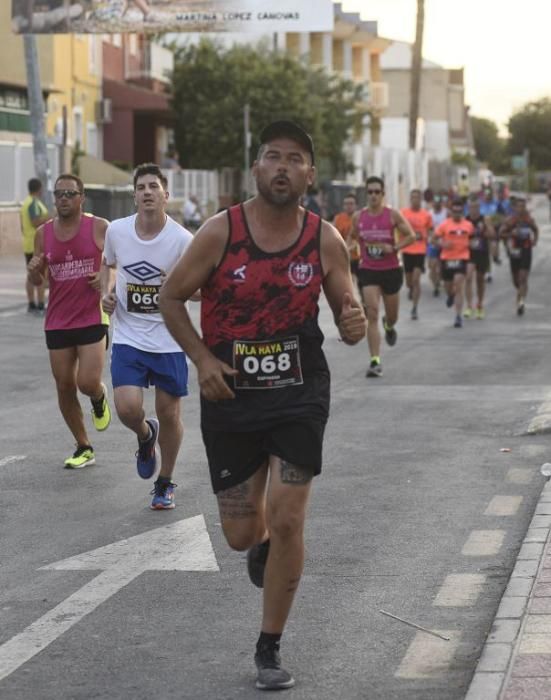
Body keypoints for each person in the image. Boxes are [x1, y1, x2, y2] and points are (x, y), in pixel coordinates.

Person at [159, 120, 366, 690]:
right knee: (242, 534)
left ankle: (269, 647)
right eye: (272, 156)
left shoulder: (325, 238)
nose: (282, 166)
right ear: (256, 168)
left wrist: (355, 323)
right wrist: (202, 360)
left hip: (299, 397)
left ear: (310, 173)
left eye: (294, 158)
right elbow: (172, 298)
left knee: (291, 516)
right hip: (230, 395)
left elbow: (348, 320)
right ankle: (265, 544)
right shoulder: (220, 232)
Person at [100, 163, 194, 509]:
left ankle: (165, 482)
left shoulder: (184, 240)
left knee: (169, 413)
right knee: (127, 408)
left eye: (154, 186)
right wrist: (107, 295)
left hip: (169, 337)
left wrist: (178, 285)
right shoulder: (117, 231)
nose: (148, 192)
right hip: (129, 335)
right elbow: (108, 264)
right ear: (135, 195)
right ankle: (144, 434)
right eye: (141, 187)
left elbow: (202, 290)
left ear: (166, 195)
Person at [27, 174, 111, 468]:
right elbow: (40, 278)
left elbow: (114, 262)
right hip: (58, 319)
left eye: (69, 193)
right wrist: (34, 270)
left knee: (86, 382)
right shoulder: (43, 233)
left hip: (90, 315)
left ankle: (98, 396)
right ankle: (83, 445)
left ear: (81, 197)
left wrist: (103, 278)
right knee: (64, 385)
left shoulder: (99, 227)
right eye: (59, 193)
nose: (63, 198)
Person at [350, 176, 415, 377]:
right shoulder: (358, 217)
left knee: (391, 315)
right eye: (370, 192)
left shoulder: (392, 215)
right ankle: (375, 361)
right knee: (372, 314)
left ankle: (389, 325)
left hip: (391, 271)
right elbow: (352, 237)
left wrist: (394, 247)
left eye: (377, 192)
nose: (373, 196)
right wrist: (346, 249)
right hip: (368, 270)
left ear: (383, 194)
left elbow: (412, 236)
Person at [432, 198, 474, 328]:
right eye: (454, 211)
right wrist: (442, 243)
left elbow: (473, 240)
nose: (457, 214)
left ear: (462, 212)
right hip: (447, 259)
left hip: (462, 258)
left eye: (459, 211)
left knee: (459, 284)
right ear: (451, 212)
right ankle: (450, 295)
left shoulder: (468, 225)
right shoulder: (444, 225)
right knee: (448, 286)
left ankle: (458, 316)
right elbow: (433, 239)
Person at [500, 196, 538, 316]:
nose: (521, 209)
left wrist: (535, 241)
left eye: (523, 206)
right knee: (516, 280)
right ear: (515, 208)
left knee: (523, 277)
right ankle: (521, 291)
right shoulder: (511, 220)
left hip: (526, 249)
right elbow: (501, 233)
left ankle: (521, 302)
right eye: (519, 206)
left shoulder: (528, 220)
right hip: (515, 250)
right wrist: (511, 233)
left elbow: (535, 230)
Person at [400, 189, 433, 320]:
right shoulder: (403, 213)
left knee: (416, 279)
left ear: (420, 199)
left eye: (417, 198)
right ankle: (411, 289)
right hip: (407, 250)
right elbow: (397, 227)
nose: (415, 200)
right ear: (410, 199)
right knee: (409, 282)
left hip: (420, 250)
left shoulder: (426, 215)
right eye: (413, 197)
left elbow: (430, 230)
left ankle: (414, 308)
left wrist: (429, 238)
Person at [20, 177, 50, 314]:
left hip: (27, 242)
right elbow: (35, 221)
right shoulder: (33, 203)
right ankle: (40, 304)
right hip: (36, 244)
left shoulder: (25, 203)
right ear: (39, 189)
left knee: (30, 274)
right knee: (40, 274)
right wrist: (50, 218)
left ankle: (32, 303)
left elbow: (23, 225)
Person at [464, 196, 495, 319]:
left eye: (476, 207)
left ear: (479, 207)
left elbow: (492, 235)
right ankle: (468, 306)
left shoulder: (485, 219)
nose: (474, 210)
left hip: (482, 253)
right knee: (468, 276)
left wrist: (486, 230)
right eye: (471, 207)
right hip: (469, 253)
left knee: (480, 279)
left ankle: (480, 305)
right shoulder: (465, 220)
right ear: (468, 208)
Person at [333, 192, 360, 287]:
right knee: (348, 284)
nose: (348, 206)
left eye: (351, 204)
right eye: (346, 204)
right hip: (343, 256)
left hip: (359, 257)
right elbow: (334, 237)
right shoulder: (338, 219)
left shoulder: (361, 218)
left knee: (362, 285)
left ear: (356, 205)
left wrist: (354, 245)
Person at [426, 192, 447, 297]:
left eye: (438, 202)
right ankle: (436, 286)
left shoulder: (446, 213)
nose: (436, 204)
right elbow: (427, 228)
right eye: (435, 202)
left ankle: (439, 280)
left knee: (441, 266)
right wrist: (432, 238)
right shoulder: (429, 214)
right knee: (432, 265)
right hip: (433, 242)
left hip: (443, 242)